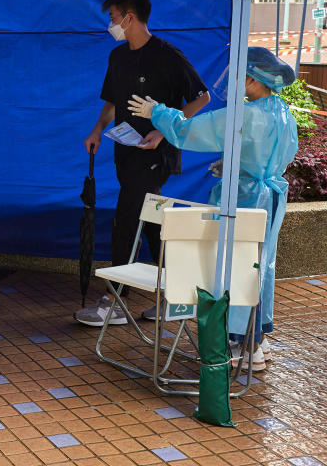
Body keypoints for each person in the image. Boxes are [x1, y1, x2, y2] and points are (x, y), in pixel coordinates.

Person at [127, 46, 299, 371]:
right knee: (259, 268)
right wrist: (244, 165)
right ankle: (257, 341)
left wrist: (157, 113)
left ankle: (235, 342)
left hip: (244, 198)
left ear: (250, 79)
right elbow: (282, 156)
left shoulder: (244, 114)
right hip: (272, 197)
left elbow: (190, 130)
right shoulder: (282, 112)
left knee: (234, 268)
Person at [75, 0, 210, 327]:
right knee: (153, 223)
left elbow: (201, 97)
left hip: (155, 154)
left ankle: (114, 298)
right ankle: (179, 296)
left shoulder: (167, 55)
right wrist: (96, 131)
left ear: (130, 17)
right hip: (125, 152)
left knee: (125, 220)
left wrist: (164, 129)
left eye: (113, 18)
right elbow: (112, 102)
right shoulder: (118, 57)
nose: (111, 25)